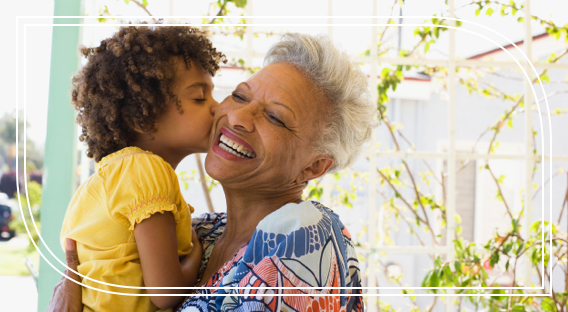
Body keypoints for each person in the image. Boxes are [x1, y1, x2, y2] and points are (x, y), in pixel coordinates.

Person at [49, 32, 376, 312]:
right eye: (239, 96)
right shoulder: (202, 231)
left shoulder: (303, 240)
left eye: (275, 117)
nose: (236, 117)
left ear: (314, 166)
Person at [59, 25, 226, 312]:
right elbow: (166, 294)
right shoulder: (146, 170)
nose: (217, 106)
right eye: (199, 97)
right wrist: (198, 255)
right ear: (144, 117)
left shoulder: (109, 177)